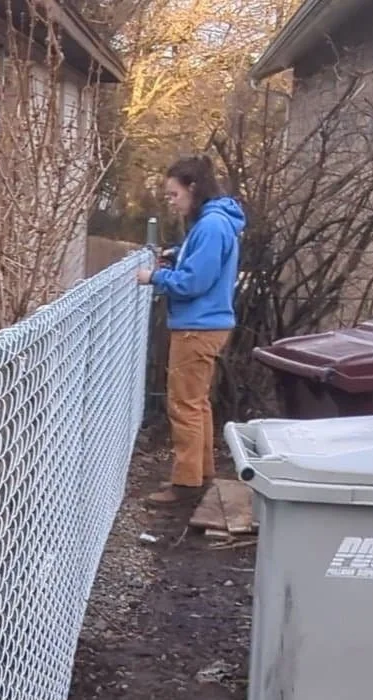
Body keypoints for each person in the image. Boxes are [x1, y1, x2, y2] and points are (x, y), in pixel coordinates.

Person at [137, 156, 246, 506]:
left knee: (184, 405)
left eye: (174, 194)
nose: (171, 201)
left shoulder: (211, 226)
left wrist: (154, 277)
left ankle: (185, 484)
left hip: (197, 327)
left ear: (193, 188)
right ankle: (201, 474)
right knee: (197, 403)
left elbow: (194, 282)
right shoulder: (215, 221)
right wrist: (177, 255)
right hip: (207, 324)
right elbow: (198, 263)